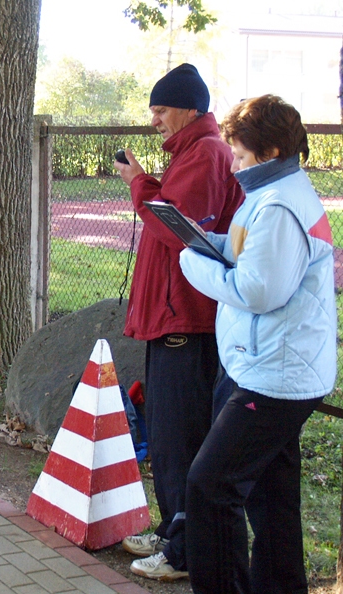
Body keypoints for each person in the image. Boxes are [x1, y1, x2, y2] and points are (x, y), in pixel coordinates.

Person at [179, 94, 335, 594]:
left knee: (211, 486)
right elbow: (254, 253)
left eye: (241, 156)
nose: (235, 165)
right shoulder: (272, 192)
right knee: (271, 498)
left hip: (275, 375)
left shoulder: (280, 204)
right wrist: (213, 242)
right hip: (273, 369)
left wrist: (194, 264)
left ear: (268, 152)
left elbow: (259, 289)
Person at [113, 63, 245, 581]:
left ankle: (184, 549)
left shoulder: (207, 153)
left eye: (161, 110)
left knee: (180, 440)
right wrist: (146, 180)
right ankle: (175, 531)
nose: (155, 120)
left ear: (190, 109)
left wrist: (140, 183)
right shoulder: (195, 152)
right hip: (172, 319)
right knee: (168, 439)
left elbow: (179, 228)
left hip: (186, 324)